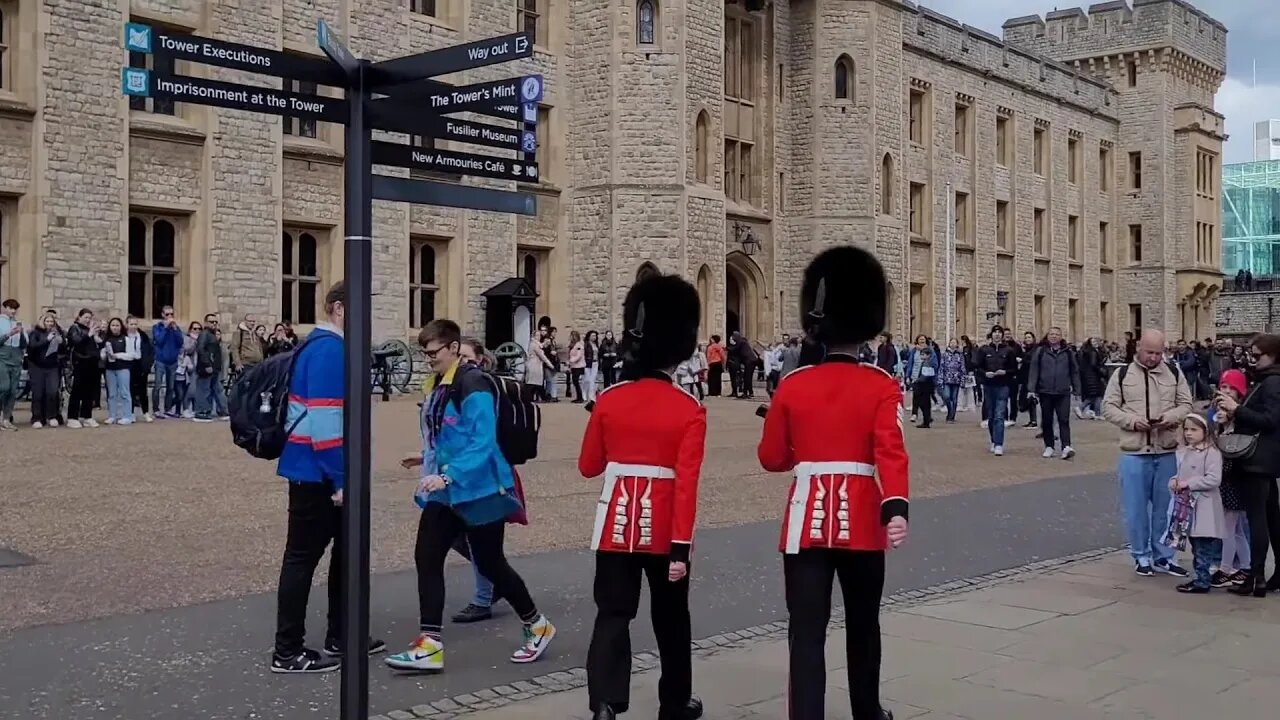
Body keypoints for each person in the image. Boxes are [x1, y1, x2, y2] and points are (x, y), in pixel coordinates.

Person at [758, 246, 909, 720]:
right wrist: (897, 508)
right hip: (865, 521)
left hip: (805, 524)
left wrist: (804, 453)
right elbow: (891, 450)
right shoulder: (881, 384)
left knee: (806, 633)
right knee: (864, 625)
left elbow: (771, 458)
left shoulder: (793, 385)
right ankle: (867, 711)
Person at [386, 319, 555, 672]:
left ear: (451, 348)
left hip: (479, 489)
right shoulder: (440, 382)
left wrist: (447, 476)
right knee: (428, 556)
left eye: (433, 352)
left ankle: (538, 625)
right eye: (425, 352)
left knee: (491, 562)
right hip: (451, 488)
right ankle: (430, 643)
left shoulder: (473, 383)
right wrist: (427, 459)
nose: (428, 359)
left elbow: (483, 441)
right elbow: (450, 434)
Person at [578, 272, 706, 720]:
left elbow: (589, 466)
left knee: (612, 614)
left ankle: (605, 703)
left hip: (616, 524)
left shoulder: (610, 399)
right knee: (672, 621)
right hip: (666, 529)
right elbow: (686, 482)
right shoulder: (689, 408)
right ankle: (674, 702)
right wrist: (681, 546)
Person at [272, 281, 386, 673]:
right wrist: (340, 479)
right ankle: (287, 650)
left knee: (346, 555)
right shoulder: (328, 350)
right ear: (339, 309)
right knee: (302, 560)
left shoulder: (330, 348)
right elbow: (324, 421)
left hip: (320, 472)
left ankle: (342, 633)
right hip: (317, 475)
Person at [1101, 329, 1192, 578]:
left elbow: (1186, 403)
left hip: (1166, 450)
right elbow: (1108, 407)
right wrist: (1131, 421)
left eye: (1158, 353)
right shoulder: (1122, 374)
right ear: (1139, 348)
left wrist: (1170, 418)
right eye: (1149, 352)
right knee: (1136, 510)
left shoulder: (1173, 372)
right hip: (1134, 451)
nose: (1153, 358)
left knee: (1167, 508)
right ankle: (1141, 555)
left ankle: (1165, 556)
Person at [1215, 334, 1280, 597]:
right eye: (1250, 354)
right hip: (1263, 459)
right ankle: (1272, 575)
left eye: (1257, 355)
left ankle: (1256, 577)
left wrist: (1236, 409)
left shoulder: (1273, 382)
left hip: (1259, 460)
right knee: (1272, 516)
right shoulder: (1266, 380)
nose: (1251, 359)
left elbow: (1269, 420)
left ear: (1274, 356)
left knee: (1258, 519)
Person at [1169, 414, 1224, 593]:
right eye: (1186, 429)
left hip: (1205, 506)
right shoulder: (1186, 452)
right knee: (1195, 544)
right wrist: (1175, 481)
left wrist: (1189, 483)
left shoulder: (1212, 453)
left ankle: (1202, 580)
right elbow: (1180, 473)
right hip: (1188, 506)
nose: (1189, 433)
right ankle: (1200, 577)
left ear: (1205, 431)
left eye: (1194, 430)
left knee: (1203, 546)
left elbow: (1214, 479)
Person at [1211, 369, 1252, 587]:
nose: (1225, 392)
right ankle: (1245, 566)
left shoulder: (1240, 414)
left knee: (1229, 527)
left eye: (1231, 388)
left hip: (1233, 477)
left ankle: (1226, 569)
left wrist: (1228, 421)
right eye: (1223, 387)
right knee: (1234, 528)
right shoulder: (1216, 412)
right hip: (1224, 477)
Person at [1027, 327, 1080, 460]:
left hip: (1063, 391)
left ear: (1061, 337)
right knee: (1047, 420)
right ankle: (1049, 446)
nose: (1054, 336)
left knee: (1064, 419)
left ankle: (1066, 446)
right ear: (1047, 336)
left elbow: (1074, 371)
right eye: (1051, 334)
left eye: (1057, 334)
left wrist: (1077, 389)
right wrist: (1031, 389)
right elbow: (1034, 371)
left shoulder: (1068, 352)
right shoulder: (1041, 351)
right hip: (1045, 391)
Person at [976, 326, 1018, 456]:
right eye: (995, 333)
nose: (998, 335)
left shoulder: (1009, 351)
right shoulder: (984, 350)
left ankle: (999, 444)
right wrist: (985, 374)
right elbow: (977, 367)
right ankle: (993, 441)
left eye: (1000, 333)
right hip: (989, 385)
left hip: (1003, 385)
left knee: (999, 415)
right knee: (991, 415)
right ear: (991, 335)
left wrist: (1005, 372)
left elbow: (1014, 369)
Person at [26, 312, 65, 428]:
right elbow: (32, 347)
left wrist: (61, 342)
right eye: (47, 321)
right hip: (37, 366)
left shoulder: (57, 332)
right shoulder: (35, 333)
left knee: (52, 392)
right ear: (42, 322)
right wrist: (46, 340)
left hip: (52, 366)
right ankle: (37, 417)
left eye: (51, 322)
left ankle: (52, 416)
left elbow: (63, 349)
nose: (49, 324)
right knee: (38, 393)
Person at [0, 299, 26, 429]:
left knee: (12, 390)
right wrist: (9, 334)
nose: (13, 311)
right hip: (2, 357)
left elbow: (23, 344)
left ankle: (6, 418)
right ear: (4, 308)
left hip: (16, 358)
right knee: (4, 387)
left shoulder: (18, 323)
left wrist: (21, 334)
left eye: (15, 309)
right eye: (10, 308)